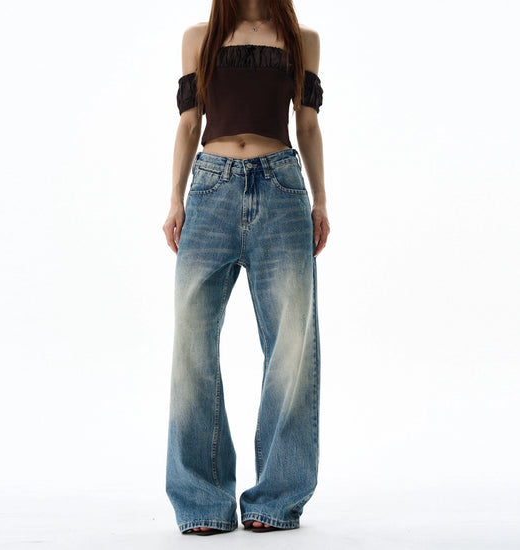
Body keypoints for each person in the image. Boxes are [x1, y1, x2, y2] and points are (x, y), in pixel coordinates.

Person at [162, 0, 330, 536]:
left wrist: (320, 201)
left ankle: (276, 499)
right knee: (192, 344)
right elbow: (190, 123)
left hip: (281, 188)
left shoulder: (302, 38)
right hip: (210, 189)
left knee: (290, 348)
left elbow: (307, 125)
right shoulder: (200, 36)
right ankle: (202, 500)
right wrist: (175, 199)